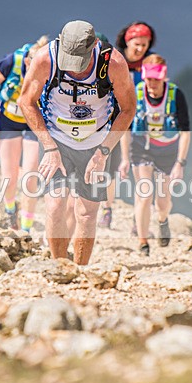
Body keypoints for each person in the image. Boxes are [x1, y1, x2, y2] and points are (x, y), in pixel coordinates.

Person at [18, 20, 136, 265]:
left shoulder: (113, 63)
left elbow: (128, 109)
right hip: (57, 139)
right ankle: (59, 266)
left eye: (80, 64)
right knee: (55, 206)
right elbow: (26, 102)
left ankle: (81, 270)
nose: (75, 71)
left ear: (94, 46)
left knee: (86, 212)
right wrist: (49, 147)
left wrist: (103, 153)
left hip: (97, 141)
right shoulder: (45, 59)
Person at [120, 54, 190, 256]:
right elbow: (125, 126)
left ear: (163, 76)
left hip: (168, 150)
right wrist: (125, 158)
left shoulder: (176, 95)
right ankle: (143, 242)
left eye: (155, 79)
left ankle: (162, 219)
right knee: (144, 193)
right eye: (148, 78)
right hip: (142, 147)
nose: (151, 83)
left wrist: (180, 163)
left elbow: (185, 131)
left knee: (163, 199)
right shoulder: (136, 93)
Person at [0, 36, 49, 232]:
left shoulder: (51, 69)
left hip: (33, 121)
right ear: (28, 61)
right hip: (8, 118)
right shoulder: (12, 62)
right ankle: (11, 211)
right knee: (9, 175)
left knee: (30, 176)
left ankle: (26, 229)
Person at [98, 21, 157, 229]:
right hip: (114, 118)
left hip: (141, 123)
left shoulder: (150, 63)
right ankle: (107, 209)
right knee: (110, 167)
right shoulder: (115, 58)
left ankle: (138, 217)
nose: (140, 49)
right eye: (137, 44)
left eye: (145, 44)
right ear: (127, 41)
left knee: (140, 170)